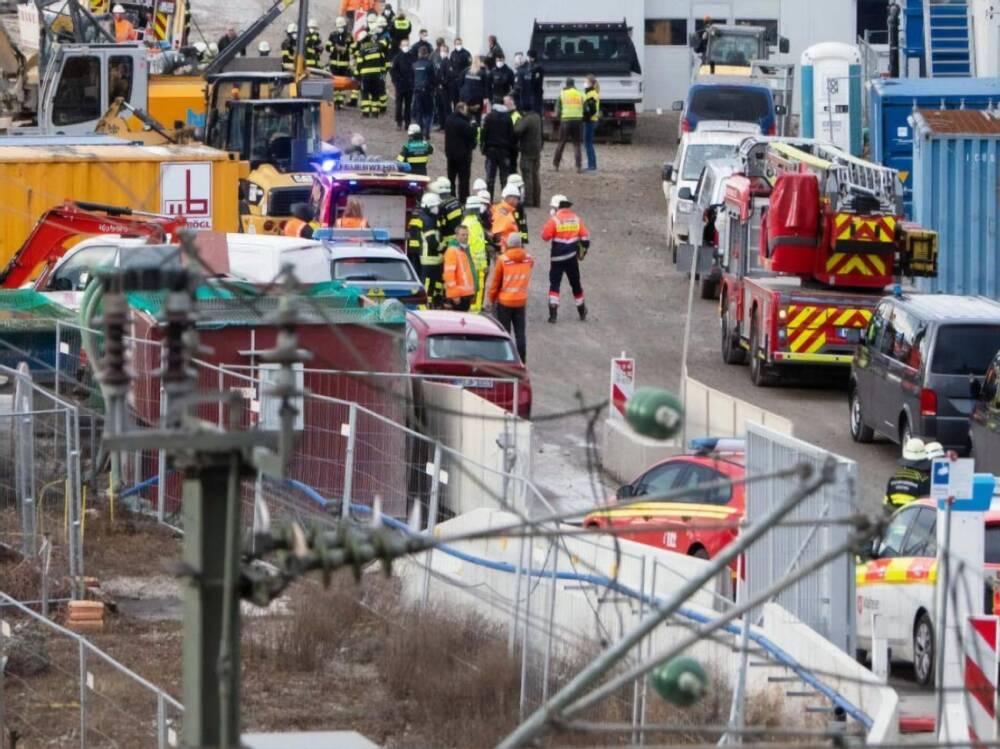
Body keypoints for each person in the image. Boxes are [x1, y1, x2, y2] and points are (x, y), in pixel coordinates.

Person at [541, 194, 589, 322]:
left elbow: (545, 237)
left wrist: (550, 220)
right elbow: (585, 238)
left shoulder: (554, 220)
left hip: (557, 258)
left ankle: (553, 314)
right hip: (572, 258)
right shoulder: (576, 219)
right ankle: (581, 310)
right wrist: (582, 252)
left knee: (555, 284)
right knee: (575, 283)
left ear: (556, 207)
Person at [488, 233, 533, 362]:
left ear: (508, 244)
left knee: (504, 333)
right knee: (520, 334)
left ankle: (505, 360)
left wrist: (491, 299)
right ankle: (522, 361)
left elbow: (495, 283)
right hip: (520, 301)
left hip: (505, 302)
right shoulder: (529, 259)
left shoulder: (503, 260)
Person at [884, 438, 932, 512]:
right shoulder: (924, 480)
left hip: (895, 518)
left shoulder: (893, 479)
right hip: (914, 519)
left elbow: (886, 504)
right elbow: (928, 506)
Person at [481, 101, 515, 198]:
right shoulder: (508, 118)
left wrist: (483, 148)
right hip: (504, 151)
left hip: (491, 151)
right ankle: (505, 199)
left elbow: (484, 134)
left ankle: (489, 199)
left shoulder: (489, 116)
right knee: (504, 178)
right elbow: (511, 135)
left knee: (490, 178)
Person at [444, 102, 477, 203]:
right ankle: (463, 199)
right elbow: (472, 134)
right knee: (464, 180)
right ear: (461, 109)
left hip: (450, 154)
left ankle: (451, 198)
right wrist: (474, 124)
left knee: (451, 178)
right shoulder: (463, 123)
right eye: (465, 109)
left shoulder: (449, 119)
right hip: (463, 156)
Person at [416, 192, 445, 308]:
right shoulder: (428, 221)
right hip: (429, 259)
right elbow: (432, 241)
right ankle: (424, 308)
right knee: (428, 285)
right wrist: (443, 247)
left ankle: (434, 304)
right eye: (435, 206)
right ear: (429, 206)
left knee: (436, 285)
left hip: (434, 260)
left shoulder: (429, 218)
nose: (437, 208)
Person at [462, 196, 490, 311]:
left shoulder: (467, 223)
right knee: (477, 292)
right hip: (475, 266)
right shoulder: (474, 224)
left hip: (472, 265)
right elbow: (475, 247)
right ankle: (475, 314)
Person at [514, 103, 543, 208]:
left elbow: (517, 130)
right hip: (537, 150)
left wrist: (517, 121)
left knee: (527, 176)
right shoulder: (537, 117)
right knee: (535, 175)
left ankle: (529, 201)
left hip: (527, 151)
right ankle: (537, 200)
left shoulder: (527, 119)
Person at [552, 77, 584, 173]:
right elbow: (584, 107)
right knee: (577, 144)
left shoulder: (562, 94)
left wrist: (558, 117)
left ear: (566, 84)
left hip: (565, 120)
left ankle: (556, 165)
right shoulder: (580, 93)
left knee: (561, 143)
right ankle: (578, 166)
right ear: (574, 84)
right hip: (577, 121)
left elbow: (557, 110)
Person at [443, 225, 477, 311]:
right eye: (463, 235)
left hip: (466, 294)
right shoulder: (452, 251)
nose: (465, 237)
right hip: (459, 296)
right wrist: (455, 295)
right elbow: (449, 275)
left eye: (466, 235)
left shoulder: (464, 250)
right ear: (456, 236)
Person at [355, 30, 387, 118]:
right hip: (376, 75)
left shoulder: (362, 50)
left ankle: (365, 113)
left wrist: (357, 76)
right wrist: (383, 73)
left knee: (365, 93)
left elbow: (359, 64)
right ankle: (375, 113)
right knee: (375, 93)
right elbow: (382, 60)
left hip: (365, 76)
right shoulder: (377, 47)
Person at [328, 18, 353, 108]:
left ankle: (340, 101)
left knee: (342, 83)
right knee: (334, 82)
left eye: (341, 27)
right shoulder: (332, 35)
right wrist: (335, 49)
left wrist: (346, 50)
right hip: (334, 63)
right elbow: (327, 47)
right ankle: (335, 101)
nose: (340, 28)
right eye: (338, 27)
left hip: (344, 64)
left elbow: (352, 48)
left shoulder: (349, 36)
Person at [412, 46, 436, 137]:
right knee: (429, 112)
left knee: (419, 112)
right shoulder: (430, 64)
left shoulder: (414, 65)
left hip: (417, 91)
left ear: (419, 54)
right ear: (427, 54)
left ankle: (420, 131)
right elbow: (433, 78)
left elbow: (412, 78)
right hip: (427, 91)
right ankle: (427, 132)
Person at [389, 39, 414, 128]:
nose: (405, 47)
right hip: (400, 85)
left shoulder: (412, 57)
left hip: (410, 85)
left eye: (407, 45)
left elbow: (414, 70)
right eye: (404, 45)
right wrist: (396, 81)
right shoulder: (397, 58)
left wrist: (413, 81)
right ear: (400, 47)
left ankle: (407, 122)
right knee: (398, 105)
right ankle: (398, 121)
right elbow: (392, 71)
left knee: (408, 105)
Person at [432, 177, 464, 247]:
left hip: (448, 242)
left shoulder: (442, 207)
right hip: (459, 238)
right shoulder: (457, 201)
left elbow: (439, 226)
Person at [491, 184, 521, 252]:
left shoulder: (505, 210)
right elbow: (497, 235)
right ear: (510, 198)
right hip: (506, 250)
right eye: (516, 198)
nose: (517, 201)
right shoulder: (503, 214)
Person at [459, 57, 488, 125]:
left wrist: (461, 95)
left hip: (466, 98)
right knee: (477, 117)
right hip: (477, 99)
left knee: (466, 116)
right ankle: (477, 131)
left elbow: (460, 84)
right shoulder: (483, 73)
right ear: (480, 63)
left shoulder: (465, 71)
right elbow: (486, 87)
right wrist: (485, 98)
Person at [583, 74, 601, 172]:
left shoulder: (591, 94)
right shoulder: (592, 93)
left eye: (586, 81)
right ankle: (592, 165)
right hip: (591, 120)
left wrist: (585, 117)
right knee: (588, 143)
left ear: (590, 83)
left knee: (588, 143)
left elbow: (591, 109)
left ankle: (592, 166)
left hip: (590, 121)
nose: (584, 83)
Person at [434, 43, 453, 131]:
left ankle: (447, 126)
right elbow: (437, 75)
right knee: (440, 107)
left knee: (446, 108)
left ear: (447, 52)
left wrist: (442, 84)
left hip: (446, 89)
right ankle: (441, 124)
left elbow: (449, 76)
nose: (442, 53)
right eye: (441, 51)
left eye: (444, 51)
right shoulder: (440, 61)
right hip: (439, 88)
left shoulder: (448, 62)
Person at [505, 174, 529, 245]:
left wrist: (524, 239)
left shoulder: (518, 204)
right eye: (519, 187)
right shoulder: (513, 204)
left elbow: (522, 223)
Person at [448, 39, 473, 105]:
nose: (458, 45)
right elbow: (450, 65)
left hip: (463, 80)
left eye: (459, 43)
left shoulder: (466, 53)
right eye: (457, 44)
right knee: (455, 98)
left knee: (463, 98)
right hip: (454, 80)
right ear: (454, 44)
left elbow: (469, 66)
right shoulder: (453, 53)